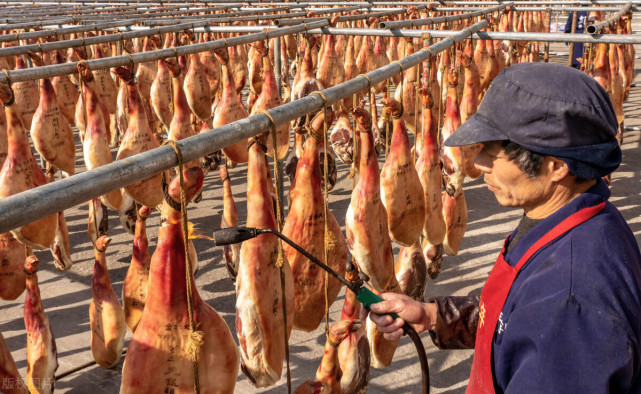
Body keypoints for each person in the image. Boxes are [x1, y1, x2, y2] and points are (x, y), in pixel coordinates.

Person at [363, 63, 641, 393]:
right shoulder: (564, 220)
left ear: (555, 167)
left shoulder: (571, 303)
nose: (478, 165)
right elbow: (515, 316)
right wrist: (434, 316)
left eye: (492, 153)